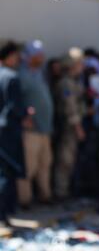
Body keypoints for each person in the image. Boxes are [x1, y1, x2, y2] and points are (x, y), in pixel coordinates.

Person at [17, 40, 53, 208]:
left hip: (44, 128)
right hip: (31, 129)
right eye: (38, 55)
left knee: (44, 163)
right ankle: (24, 199)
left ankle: (45, 195)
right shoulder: (21, 75)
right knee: (28, 165)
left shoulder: (39, 73)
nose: (41, 58)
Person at [53, 52, 86, 200]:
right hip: (68, 127)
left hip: (73, 126)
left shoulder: (74, 82)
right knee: (65, 159)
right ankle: (60, 191)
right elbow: (70, 107)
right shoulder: (66, 83)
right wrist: (78, 128)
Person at [0, 41, 26, 222]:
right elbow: (15, 107)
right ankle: (4, 213)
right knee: (7, 172)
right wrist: (25, 114)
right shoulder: (11, 77)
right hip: (7, 131)